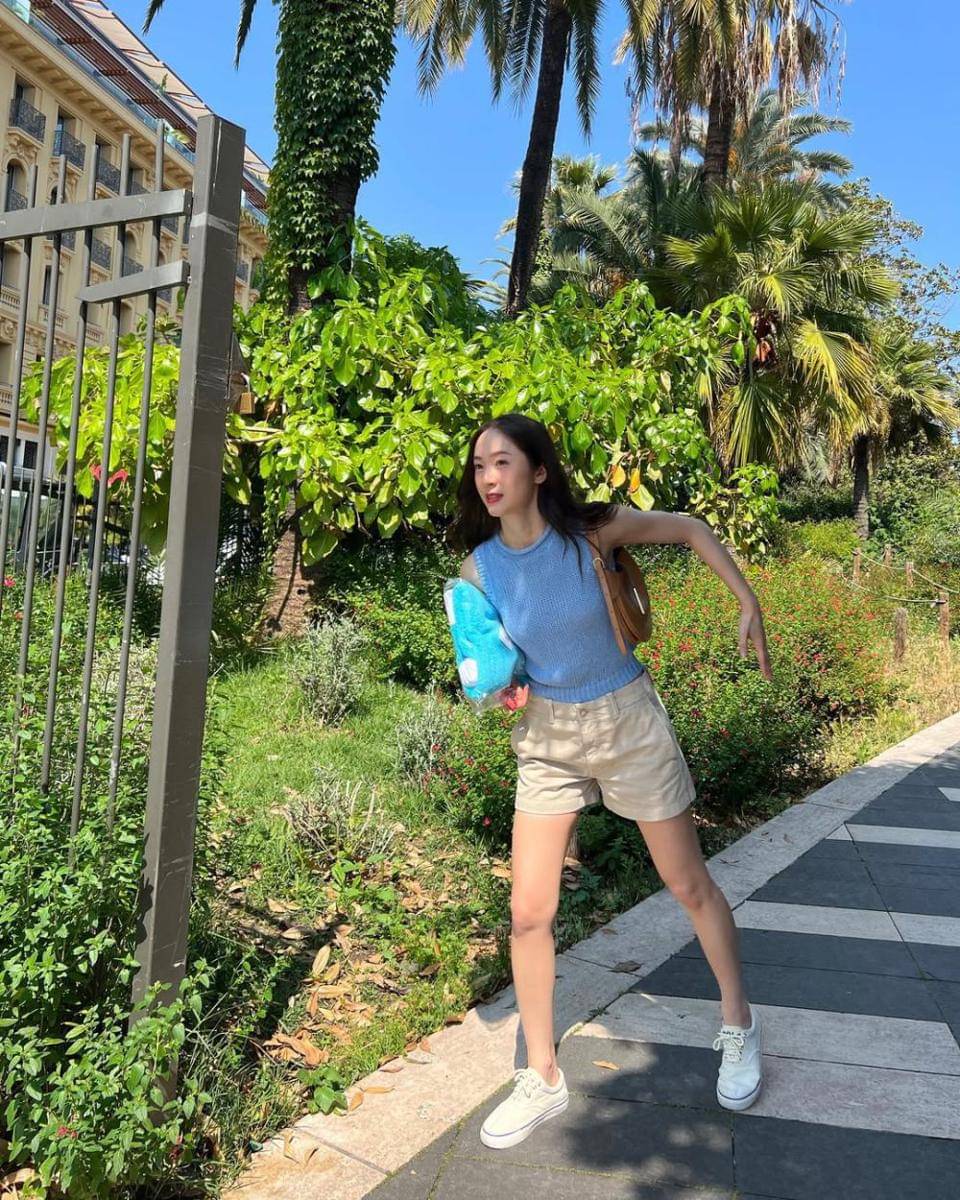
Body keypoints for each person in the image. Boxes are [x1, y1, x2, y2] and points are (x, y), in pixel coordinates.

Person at [448, 413, 774, 1151]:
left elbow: (690, 528)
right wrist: (506, 687)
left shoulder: (592, 533)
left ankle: (739, 1022)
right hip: (547, 740)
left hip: (627, 722)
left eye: (502, 462)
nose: (489, 478)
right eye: (479, 467)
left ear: (538, 470)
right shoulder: (480, 570)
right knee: (528, 912)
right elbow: (494, 658)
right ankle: (542, 1074)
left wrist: (746, 600)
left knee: (688, 884)